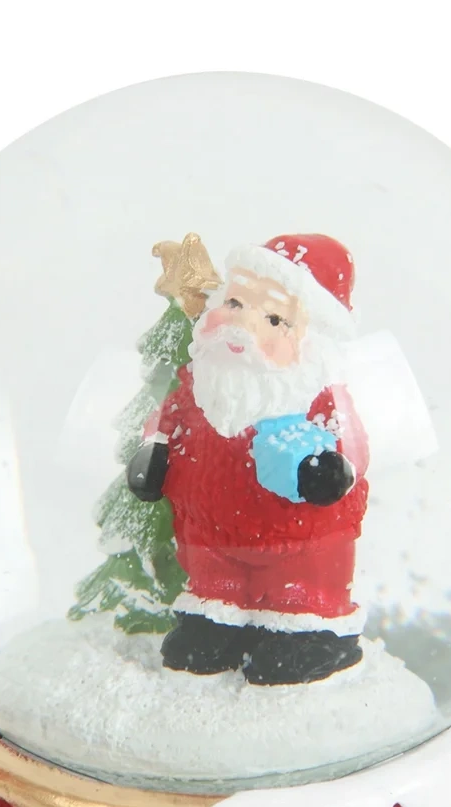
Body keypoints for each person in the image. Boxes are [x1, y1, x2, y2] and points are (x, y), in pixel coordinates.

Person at [127, 233, 369, 685]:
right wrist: (154, 452)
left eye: (274, 318)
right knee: (211, 590)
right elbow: (169, 419)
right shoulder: (201, 384)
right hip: (209, 537)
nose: (242, 324)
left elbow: (351, 445)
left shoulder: (314, 394)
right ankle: (216, 621)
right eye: (235, 303)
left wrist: (329, 472)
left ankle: (307, 633)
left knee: (300, 588)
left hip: (299, 545)